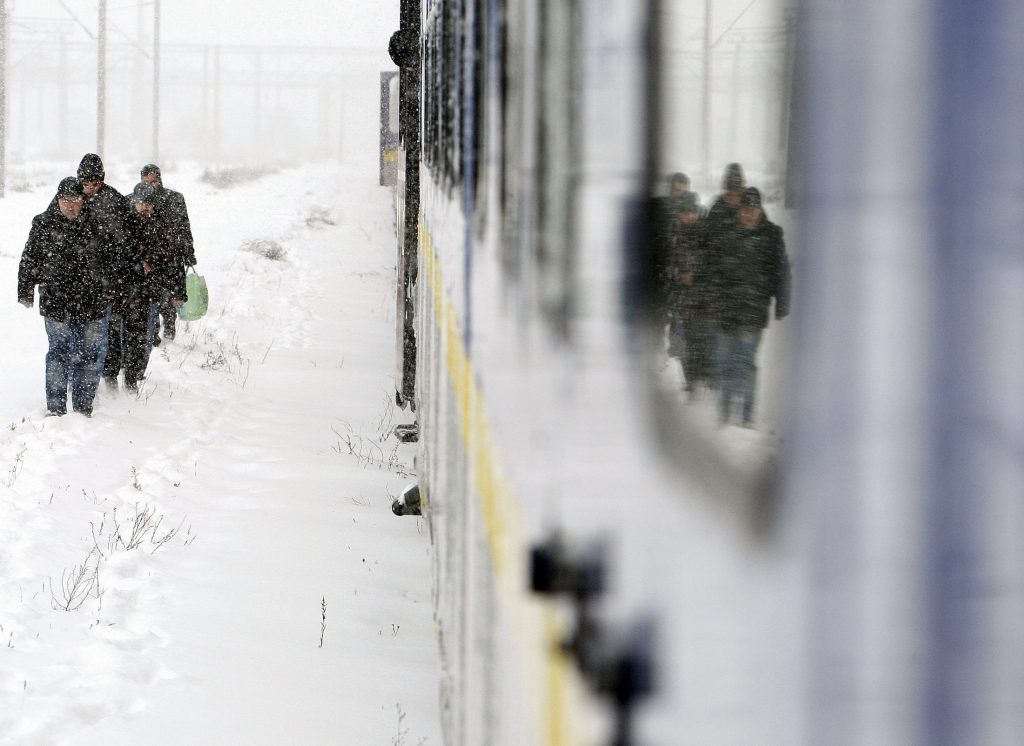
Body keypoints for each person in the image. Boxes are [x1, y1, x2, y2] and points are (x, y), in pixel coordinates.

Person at [17, 178, 112, 417]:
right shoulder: (43, 223)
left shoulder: (96, 224)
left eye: (75, 200)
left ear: (83, 200)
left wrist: (110, 287)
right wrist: (25, 290)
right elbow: (30, 258)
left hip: (91, 299)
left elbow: (110, 259)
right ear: (58, 199)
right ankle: (56, 409)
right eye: (66, 200)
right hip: (56, 299)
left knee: (89, 354)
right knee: (58, 353)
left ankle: (83, 408)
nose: (70, 205)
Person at [707, 187, 790, 426]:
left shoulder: (771, 235)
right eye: (744, 210)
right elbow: (712, 269)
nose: (748, 215)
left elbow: (781, 272)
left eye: (752, 210)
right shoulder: (726, 233)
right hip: (725, 310)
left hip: (753, 311)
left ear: (760, 210)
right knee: (724, 363)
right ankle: (724, 413)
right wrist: (712, 297)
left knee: (745, 364)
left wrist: (782, 302)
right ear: (739, 211)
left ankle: (746, 415)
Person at [102, 182, 185, 393]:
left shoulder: (159, 229)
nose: (145, 206)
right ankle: (111, 377)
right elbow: (111, 259)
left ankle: (132, 379)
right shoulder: (121, 227)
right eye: (141, 202)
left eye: (149, 203)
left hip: (146, 293)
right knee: (114, 338)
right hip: (120, 292)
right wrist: (136, 266)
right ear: (134, 202)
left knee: (139, 339)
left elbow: (171, 262)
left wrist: (178, 290)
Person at [78, 153, 132, 386]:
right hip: (79, 277)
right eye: (86, 183)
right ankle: (80, 378)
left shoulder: (114, 200)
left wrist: (112, 279)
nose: (90, 188)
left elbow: (123, 243)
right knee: (80, 332)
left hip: (109, 277)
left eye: (95, 183)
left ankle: (109, 374)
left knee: (109, 329)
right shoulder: (71, 195)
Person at [140, 164, 196, 344]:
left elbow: (184, 227)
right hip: (149, 258)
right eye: (146, 182)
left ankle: (170, 328)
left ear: (160, 179)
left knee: (171, 296)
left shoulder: (174, 198)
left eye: (154, 181)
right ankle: (154, 333)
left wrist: (189, 252)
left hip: (172, 255)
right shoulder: (138, 200)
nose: (151, 185)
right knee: (152, 296)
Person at [664, 192, 714, 392]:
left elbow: (714, 264)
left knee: (702, 341)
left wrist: (696, 274)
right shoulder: (675, 235)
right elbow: (669, 265)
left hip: (704, 300)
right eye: (684, 213)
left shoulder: (707, 234)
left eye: (691, 212)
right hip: (682, 299)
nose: (688, 217)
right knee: (685, 343)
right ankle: (691, 379)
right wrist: (679, 276)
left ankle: (703, 378)